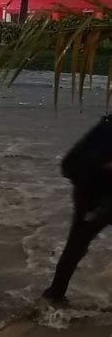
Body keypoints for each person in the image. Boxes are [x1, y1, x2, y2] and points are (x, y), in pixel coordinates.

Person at [42, 114, 112, 305]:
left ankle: (54, 294)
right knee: (76, 247)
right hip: (92, 199)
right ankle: (54, 295)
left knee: (76, 247)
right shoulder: (107, 129)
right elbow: (69, 166)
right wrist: (102, 167)